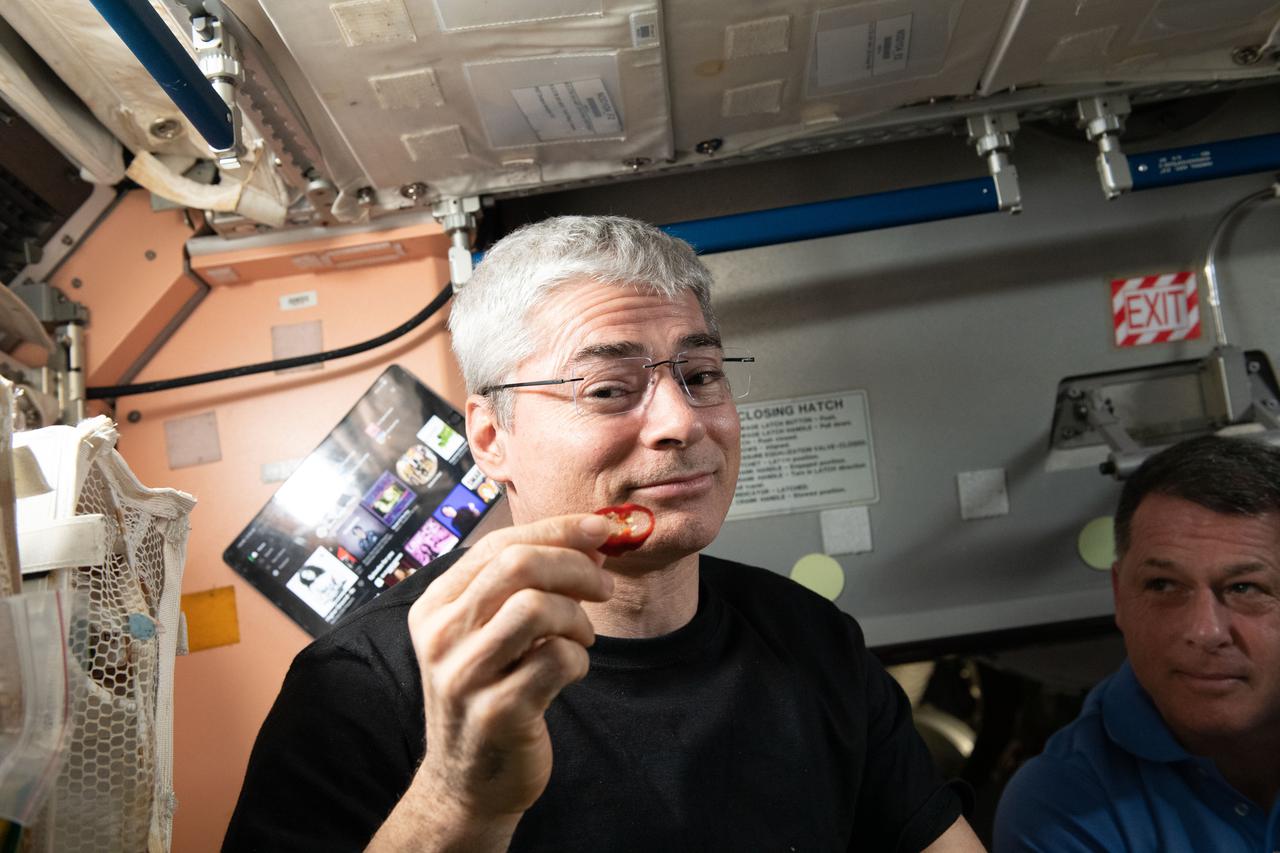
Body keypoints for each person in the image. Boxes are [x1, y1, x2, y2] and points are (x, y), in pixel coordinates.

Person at [224, 216, 982, 851]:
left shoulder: (811, 639)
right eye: (610, 389)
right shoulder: (361, 686)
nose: (682, 421)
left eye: (703, 374)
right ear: (491, 438)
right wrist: (458, 794)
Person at [994, 435, 1280, 851]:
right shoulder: (1063, 804)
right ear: (1119, 596)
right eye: (1163, 584)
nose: (1204, 631)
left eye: (1245, 588)